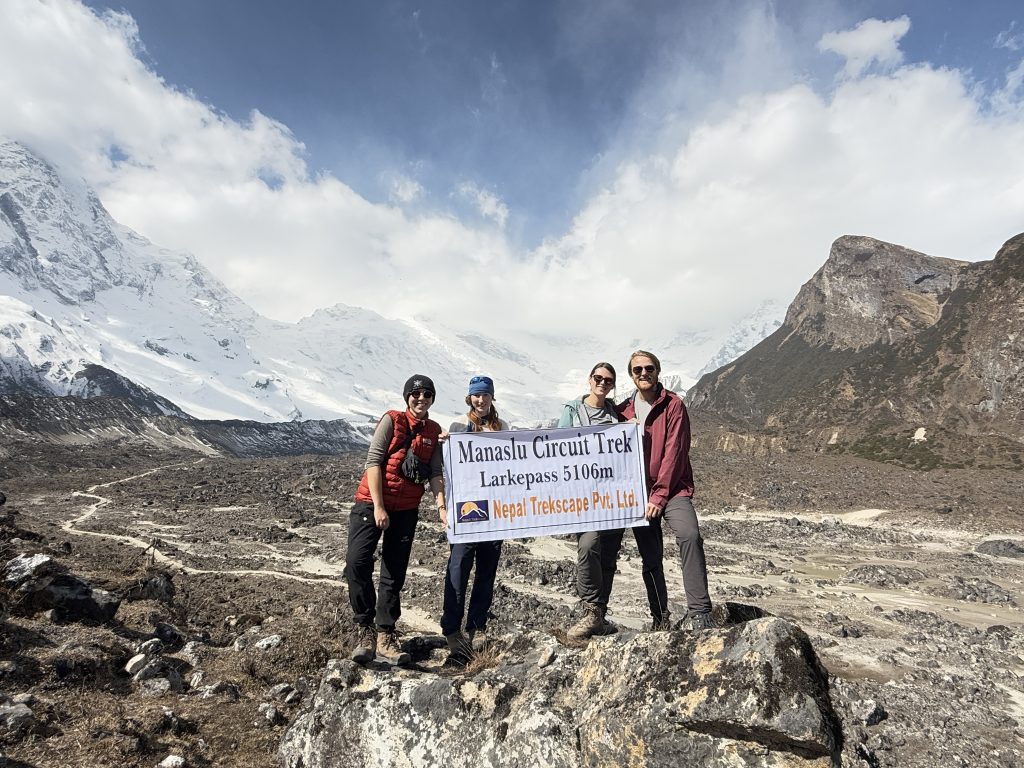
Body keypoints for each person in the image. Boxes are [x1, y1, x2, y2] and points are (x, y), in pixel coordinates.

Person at [346, 374, 446, 666]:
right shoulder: (391, 420)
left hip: (406, 510)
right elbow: (374, 462)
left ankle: (385, 635)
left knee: (394, 572)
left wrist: (441, 505)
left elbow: (436, 472)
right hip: (371, 503)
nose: (421, 398)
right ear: (407, 397)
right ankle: (364, 628)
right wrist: (378, 507)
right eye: (416, 394)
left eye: (427, 394)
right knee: (357, 562)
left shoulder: (434, 431)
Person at [616, 349, 714, 631]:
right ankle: (659, 617)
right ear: (631, 375)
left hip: (673, 491)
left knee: (689, 535)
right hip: (639, 493)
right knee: (650, 556)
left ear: (658, 371)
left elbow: (675, 452)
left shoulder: (673, 405)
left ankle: (700, 611)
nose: (644, 374)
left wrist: (659, 495)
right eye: (638, 370)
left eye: (649, 368)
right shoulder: (624, 411)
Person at [440, 375, 510, 660]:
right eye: (476, 396)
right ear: (469, 398)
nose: (480, 400)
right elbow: (445, 468)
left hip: (493, 511)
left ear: (492, 397)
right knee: (458, 567)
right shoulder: (456, 425)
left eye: (485, 395)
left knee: (486, 571)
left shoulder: (502, 427)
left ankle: (477, 626)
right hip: (466, 510)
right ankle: (451, 629)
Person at [557, 362, 627, 640]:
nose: (602, 383)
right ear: (589, 379)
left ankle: (600, 615)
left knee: (608, 555)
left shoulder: (617, 414)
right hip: (583, 496)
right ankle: (590, 610)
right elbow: (557, 445)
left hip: (613, 496)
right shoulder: (572, 410)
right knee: (588, 545)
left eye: (608, 380)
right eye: (598, 378)